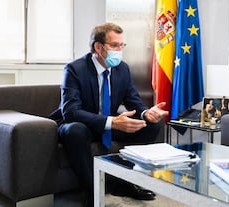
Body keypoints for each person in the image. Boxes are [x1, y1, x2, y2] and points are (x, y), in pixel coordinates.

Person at [49, 22, 168, 207]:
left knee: (151, 126)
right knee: (75, 131)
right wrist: (111, 122)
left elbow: (133, 99)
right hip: (81, 123)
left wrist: (146, 113)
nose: (119, 50)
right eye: (115, 46)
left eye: (122, 45)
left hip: (109, 122)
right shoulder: (74, 69)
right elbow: (71, 112)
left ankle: (123, 182)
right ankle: (91, 190)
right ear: (98, 47)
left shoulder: (122, 69)